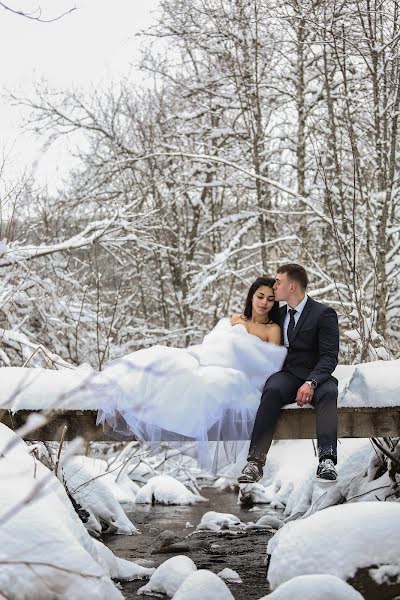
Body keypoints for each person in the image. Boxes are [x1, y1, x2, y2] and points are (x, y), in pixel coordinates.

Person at [96, 277, 287, 471]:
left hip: (237, 375)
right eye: (260, 296)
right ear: (251, 296)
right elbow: (213, 342)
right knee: (164, 358)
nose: (264, 303)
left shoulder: (272, 329)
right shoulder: (235, 319)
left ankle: (139, 408)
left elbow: (268, 365)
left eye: (270, 299)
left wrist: (240, 352)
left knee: (205, 382)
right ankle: (126, 403)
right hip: (205, 358)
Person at [238, 264, 339, 484]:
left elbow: (330, 356)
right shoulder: (278, 314)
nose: (274, 286)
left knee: (329, 393)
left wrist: (312, 382)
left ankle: (327, 459)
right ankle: (255, 462)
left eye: (278, 282)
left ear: (291, 287)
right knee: (272, 389)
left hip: (317, 376)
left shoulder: (324, 314)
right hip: (287, 375)